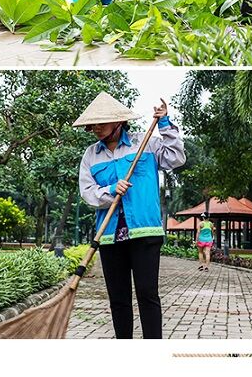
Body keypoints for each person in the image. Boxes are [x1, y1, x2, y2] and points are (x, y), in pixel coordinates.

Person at [76, 91, 186, 339]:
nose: (96, 128)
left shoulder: (145, 143)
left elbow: (176, 158)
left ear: (118, 121)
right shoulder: (91, 155)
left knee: (148, 295)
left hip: (145, 232)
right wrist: (111, 190)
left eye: (102, 122)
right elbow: (88, 192)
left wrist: (165, 124)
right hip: (109, 236)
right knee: (118, 299)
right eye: (93, 123)